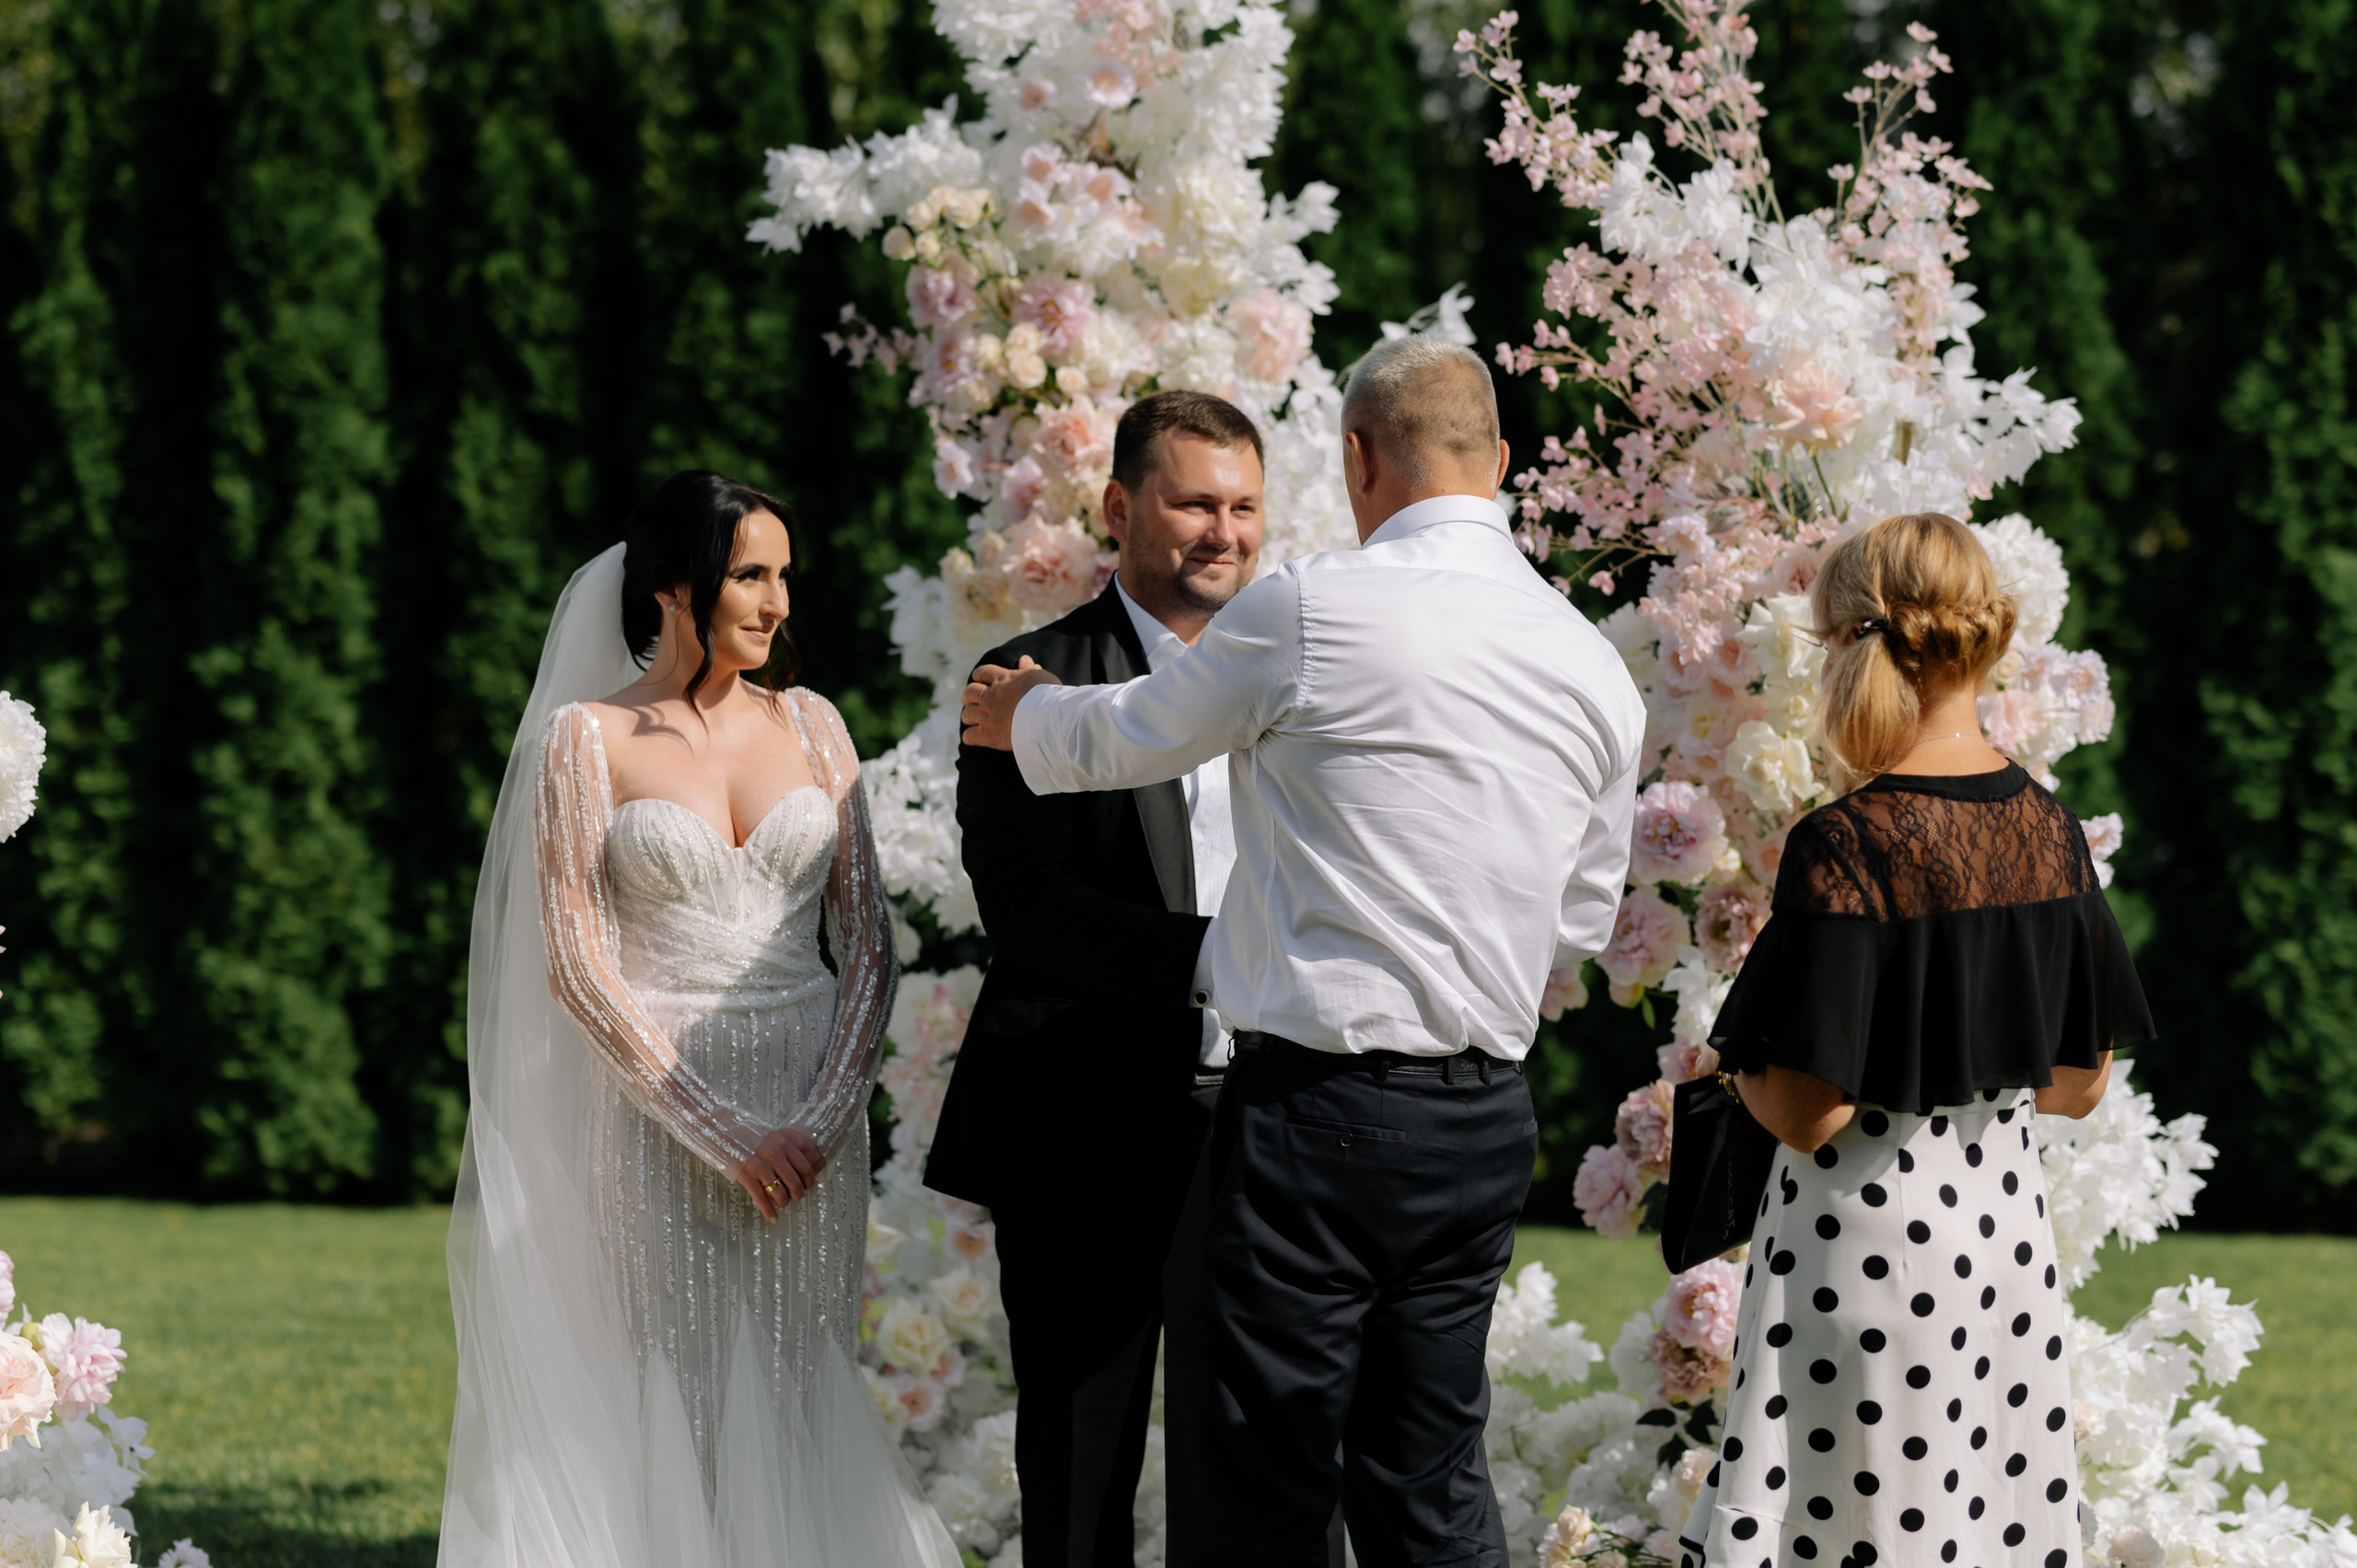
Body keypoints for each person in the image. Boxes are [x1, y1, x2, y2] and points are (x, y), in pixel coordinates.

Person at [961, 336, 1647, 1568]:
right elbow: (1577, 923)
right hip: (1486, 1117)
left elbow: (1134, 735)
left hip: (1314, 1115)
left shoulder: (1312, 604)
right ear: (1499, 462)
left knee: (1262, 1490)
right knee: (1431, 1485)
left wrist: (1025, 717)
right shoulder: (1594, 665)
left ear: (1354, 460)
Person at [439, 471, 958, 1568]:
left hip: (812, 1128)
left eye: (783, 577)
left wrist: (817, 1120)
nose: (775, 603)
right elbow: (577, 961)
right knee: (669, 1383)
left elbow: (866, 938)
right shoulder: (584, 741)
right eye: (749, 576)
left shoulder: (815, 725)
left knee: (799, 1369)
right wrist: (722, 1131)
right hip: (658, 1123)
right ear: (675, 587)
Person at [1682, 511, 2154, 1568]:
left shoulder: (1844, 841)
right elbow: (2077, 1082)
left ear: (1859, 646)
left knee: (1853, 1530)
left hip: (1869, 1255)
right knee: (1978, 1528)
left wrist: (1738, 1060)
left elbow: (1812, 1109)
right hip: (2000, 1251)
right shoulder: (2047, 828)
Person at [924, 389, 1265, 1568]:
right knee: (1078, 1475)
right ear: (1121, 507)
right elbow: (1029, 911)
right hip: (1081, 1126)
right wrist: (1229, 962)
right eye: (1191, 502)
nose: (1221, 530)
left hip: (1271, 1131)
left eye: (1242, 506)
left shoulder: (1296, 682)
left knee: (1274, 1467)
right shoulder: (1023, 679)